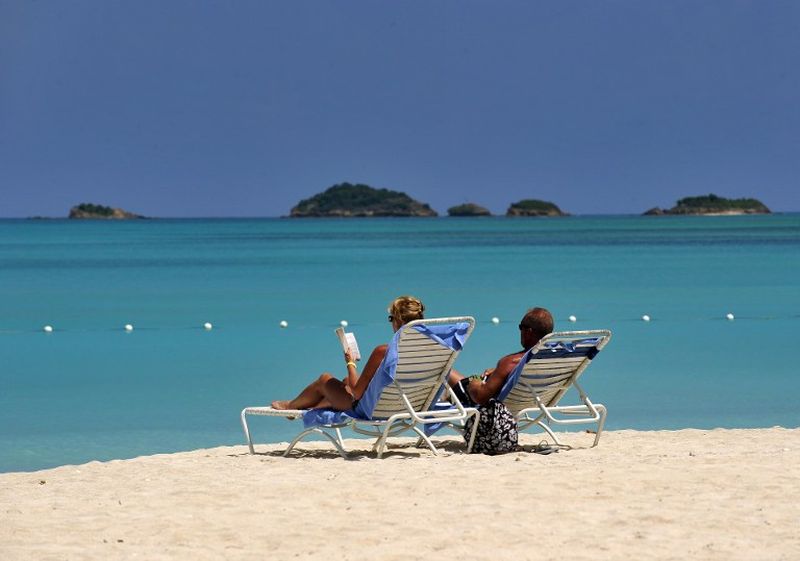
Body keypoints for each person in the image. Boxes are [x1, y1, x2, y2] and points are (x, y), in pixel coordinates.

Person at [271, 296, 426, 411]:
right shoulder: (429, 348)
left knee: (325, 380)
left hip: (372, 409)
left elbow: (356, 394)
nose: (391, 322)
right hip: (409, 406)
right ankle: (311, 405)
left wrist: (350, 363)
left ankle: (291, 406)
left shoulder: (383, 351)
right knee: (344, 382)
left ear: (398, 321)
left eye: (391, 318)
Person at [448, 307, 554, 407]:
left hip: (481, 400)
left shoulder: (510, 362)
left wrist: (474, 382)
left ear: (528, 332)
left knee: (444, 372)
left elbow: (480, 397)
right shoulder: (551, 360)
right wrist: (502, 373)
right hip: (527, 402)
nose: (520, 331)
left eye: (521, 327)